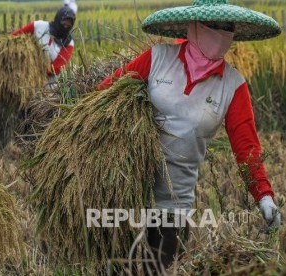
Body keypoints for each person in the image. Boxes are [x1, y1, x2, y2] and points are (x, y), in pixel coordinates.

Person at [98, 0, 282, 273]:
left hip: (174, 205)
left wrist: (263, 196)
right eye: (213, 24)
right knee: (115, 268)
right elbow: (106, 95)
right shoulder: (159, 58)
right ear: (194, 26)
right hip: (126, 193)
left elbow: (247, 146)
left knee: (160, 269)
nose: (221, 32)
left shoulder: (232, 85)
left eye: (227, 26)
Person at [12, 5, 76, 88]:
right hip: (26, 78)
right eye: (64, 21)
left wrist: (34, 71)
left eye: (69, 23)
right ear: (58, 18)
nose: (66, 25)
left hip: (50, 84)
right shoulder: (39, 26)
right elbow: (16, 36)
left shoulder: (68, 42)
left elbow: (58, 67)